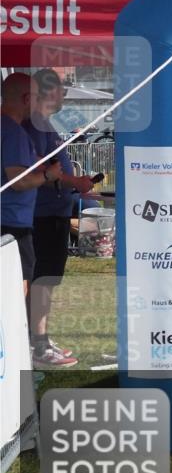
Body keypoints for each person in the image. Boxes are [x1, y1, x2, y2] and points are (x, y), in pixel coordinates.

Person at [22, 70, 83, 367]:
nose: (65, 94)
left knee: (45, 281)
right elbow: (40, 173)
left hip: (53, 214)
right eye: (61, 88)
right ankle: (39, 345)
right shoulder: (34, 126)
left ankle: (38, 339)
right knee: (42, 282)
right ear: (48, 91)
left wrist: (77, 186)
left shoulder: (44, 125)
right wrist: (76, 182)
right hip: (43, 215)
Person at [1, 73, 61, 300]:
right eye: (37, 97)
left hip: (8, 222)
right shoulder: (14, 132)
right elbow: (19, 180)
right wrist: (48, 174)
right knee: (16, 291)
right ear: (27, 99)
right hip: (12, 226)